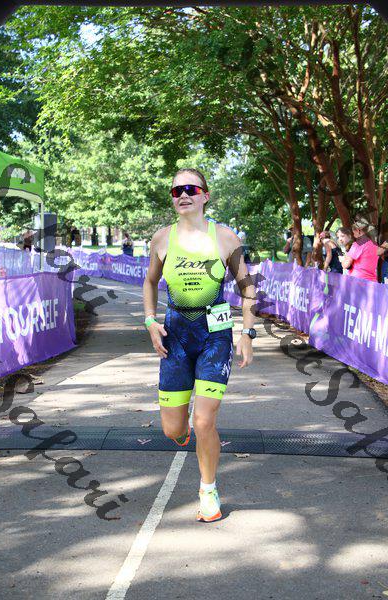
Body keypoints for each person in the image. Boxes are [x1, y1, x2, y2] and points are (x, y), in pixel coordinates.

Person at [143, 168, 256, 523]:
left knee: (204, 420)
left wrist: (248, 333)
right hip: (175, 335)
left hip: (214, 335)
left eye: (191, 189)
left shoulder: (225, 237)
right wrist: (149, 321)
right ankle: (185, 432)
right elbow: (150, 282)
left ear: (205, 195)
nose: (183, 195)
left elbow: (247, 286)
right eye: (176, 191)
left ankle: (208, 490)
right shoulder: (162, 239)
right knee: (173, 430)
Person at [340, 217, 388, 282]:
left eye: (354, 232)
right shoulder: (374, 244)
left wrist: (343, 260)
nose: (353, 235)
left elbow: (346, 265)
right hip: (372, 281)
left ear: (358, 231)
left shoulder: (357, 244)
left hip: (357, 281)